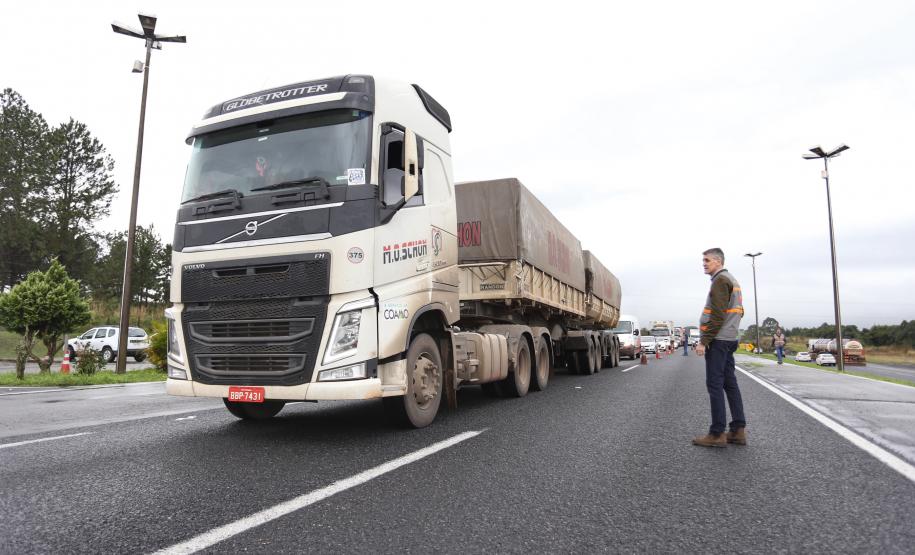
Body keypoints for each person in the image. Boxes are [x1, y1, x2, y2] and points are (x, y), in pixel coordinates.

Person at [692, 248, 747, 448]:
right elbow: (739, 311)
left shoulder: (720, 281)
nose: (704, 264)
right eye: (703, 260)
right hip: (730, 338)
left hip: (719, 340)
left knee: (715, 385)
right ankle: (738, 430)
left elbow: (717, 316)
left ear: (718, 261)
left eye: (707, 260)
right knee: (730, 384)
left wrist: (704, 341)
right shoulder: (732, 280)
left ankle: (717, 434)